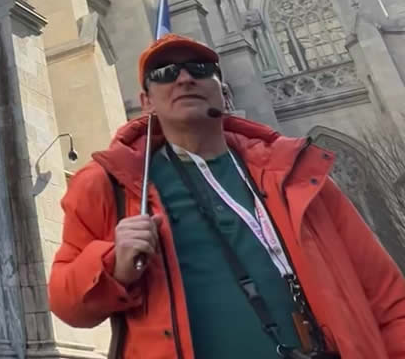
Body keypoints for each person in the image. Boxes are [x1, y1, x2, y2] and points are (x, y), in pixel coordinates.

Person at [48, 34, 405, 358]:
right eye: (164, 73)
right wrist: (112, 264)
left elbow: (388, 299)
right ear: (146, 102)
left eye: (200, 69)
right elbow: (67, 304)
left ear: (225, 92)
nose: (184, 78)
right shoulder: (108, 184)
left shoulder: (297, 175)